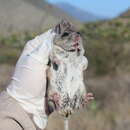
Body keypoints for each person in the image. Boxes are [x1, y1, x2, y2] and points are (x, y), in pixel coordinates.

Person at [0, 28, 94, 130]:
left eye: (78, 36)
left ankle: (74, 101)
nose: (75, 39)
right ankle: (59, 102)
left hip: (21, 116)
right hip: (23, 113)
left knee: (78, 90)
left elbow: (82, 62)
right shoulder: (52, 51)